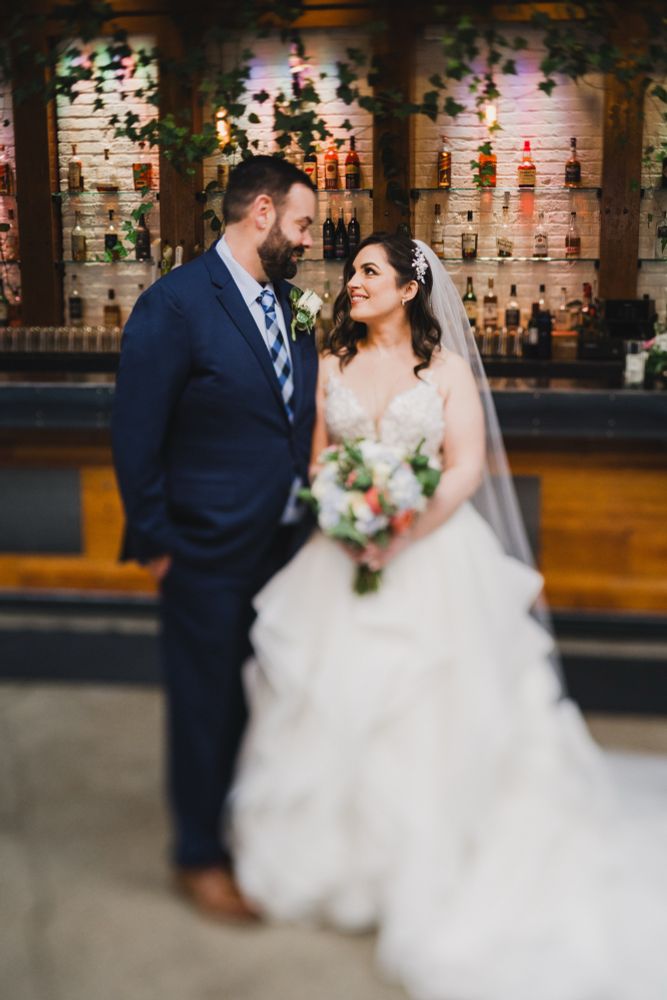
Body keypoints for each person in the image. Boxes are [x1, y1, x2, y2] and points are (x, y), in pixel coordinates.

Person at [230, 233, 667, 999]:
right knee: (331, 698)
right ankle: (344, 866)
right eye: (351, 272)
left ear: (408, 289)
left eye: (369, 272)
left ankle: (431, 858)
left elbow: (463, 468)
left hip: (429, 551)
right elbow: (318, 457)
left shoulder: (447, 370)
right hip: (340, 555)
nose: (352, 282)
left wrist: (400, 532)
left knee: (432, 707)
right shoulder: (330, 362)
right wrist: (344, 520)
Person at [112, 156, 318, 919]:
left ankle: (251, 826)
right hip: (203, 547)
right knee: (205, 703)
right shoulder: (174, 305)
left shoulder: (293, 304)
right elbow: (136, 436)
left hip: (287, 546)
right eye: (302, 223)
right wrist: (159, 541)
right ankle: (198, 854)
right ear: (261, 212)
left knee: (269, 698)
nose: (308, 239)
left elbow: (296, 414)